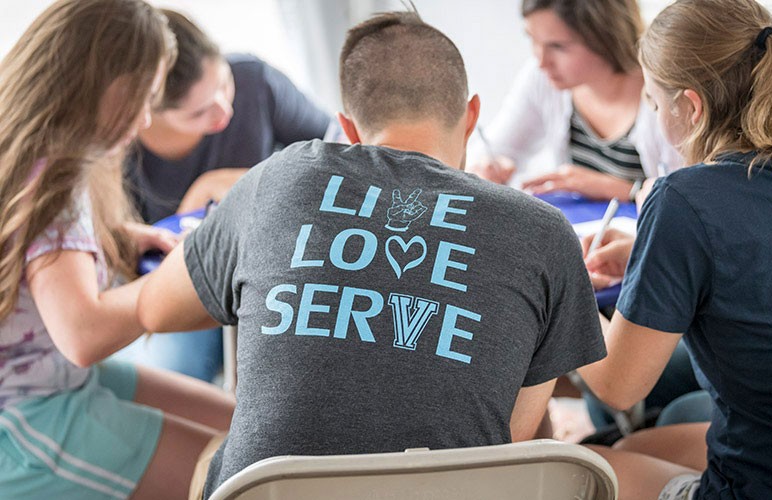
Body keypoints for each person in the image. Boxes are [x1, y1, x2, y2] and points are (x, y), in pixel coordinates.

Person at [138, 9, 607, 498]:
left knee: (213, 457)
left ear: (348, 127)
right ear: (471, 115)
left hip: (268, 491)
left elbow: (154, 308)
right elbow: (512, 441)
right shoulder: (543, 233)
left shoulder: (278, 180)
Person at [576, 0, 772, 498]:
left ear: (690, 106)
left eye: (654, 102)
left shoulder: (685, 199)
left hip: (771, 485)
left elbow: (617, 384)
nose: (655, 114)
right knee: (646, 441)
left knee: (585, 464)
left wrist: (562, 289)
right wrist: (649, 252)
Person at [0, 2, 235, 499]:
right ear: (103, 83)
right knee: (246, 476)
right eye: (143, 100)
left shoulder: (27, 153)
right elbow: (82, 333)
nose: (147, 118)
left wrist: (118, 239)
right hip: (26, 419)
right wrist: (181, 278)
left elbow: (38, 250)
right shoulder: (53, 184)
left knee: (245, 428)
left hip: (52, 379)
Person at [115, 9, 334, 382]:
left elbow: (343, 154)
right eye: (199, 112)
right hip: (185, 286)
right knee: (171, 376)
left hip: (279, 266)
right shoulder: (121, 150)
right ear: (149, 112)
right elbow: (124, 268)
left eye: (223, 84)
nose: (225, 111)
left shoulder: (255, 81)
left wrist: (233, 183)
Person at [468, 0, 682, 201]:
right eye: (532, 39)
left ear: (605, 37)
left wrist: (626, 191)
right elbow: (492, 151)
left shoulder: (665, 96)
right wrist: (487, 168)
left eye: (558, 46)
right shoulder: (542, 79)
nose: (541, 60)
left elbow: (686, 200)